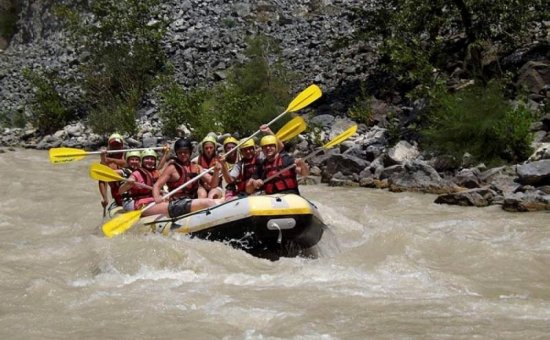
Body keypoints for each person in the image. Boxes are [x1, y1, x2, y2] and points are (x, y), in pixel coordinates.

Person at [149, 138, 223, 218]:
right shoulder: (172, 168)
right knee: (209, 203)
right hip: (177, 203)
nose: (183, 154)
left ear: (190, 152)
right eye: (180, 152)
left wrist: (216, 171)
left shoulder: (196, 167)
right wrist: (157, 197)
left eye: (185, 152)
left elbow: (213, 184)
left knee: (219, 201)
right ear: (176, 153)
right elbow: (157, 185)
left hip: (191, 200)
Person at [98, 133, 127, 210]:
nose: (115, 147)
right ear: (109, 146)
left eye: (118, 145)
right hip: (116, 195)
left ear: (122, 146)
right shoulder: (105, 161)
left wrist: (112, 160)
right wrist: (105, 198)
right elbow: (102, 180)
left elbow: (127, 165)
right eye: (113, 145)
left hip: (130, 194)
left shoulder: (128, 155)